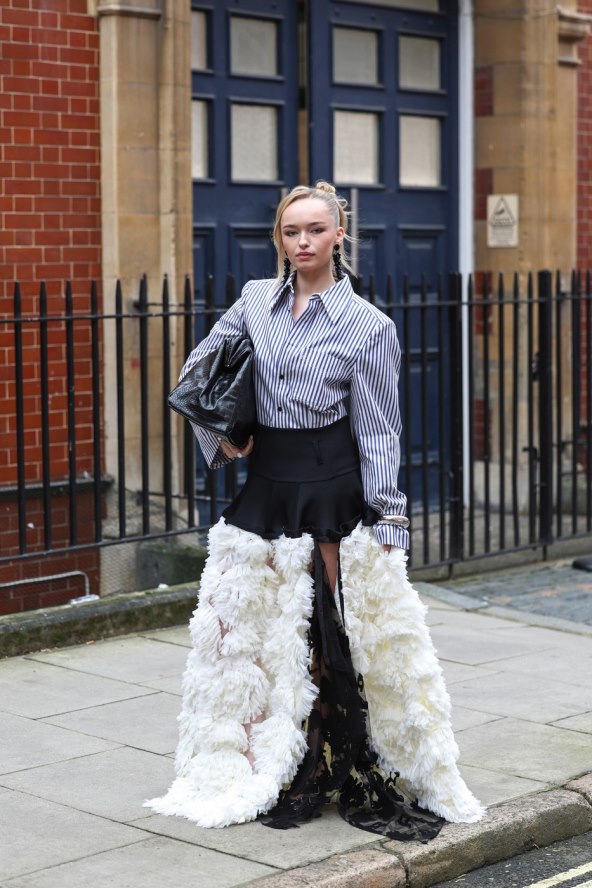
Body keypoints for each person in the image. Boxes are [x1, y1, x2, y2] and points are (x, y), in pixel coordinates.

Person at [146, 182, 483, 840]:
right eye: (290, 230)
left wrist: (389, 518)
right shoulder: (253, 302)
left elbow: (381, 430)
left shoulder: (368, 327)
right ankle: (267, 757)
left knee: (325, 637)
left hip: (329, 487)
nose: (301, 241)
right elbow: (198, 371)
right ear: (280, 237)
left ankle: (323, 768)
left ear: (338, 237)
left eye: (314, 230)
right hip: (266, 483)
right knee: (257, 638)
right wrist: (226, 436)